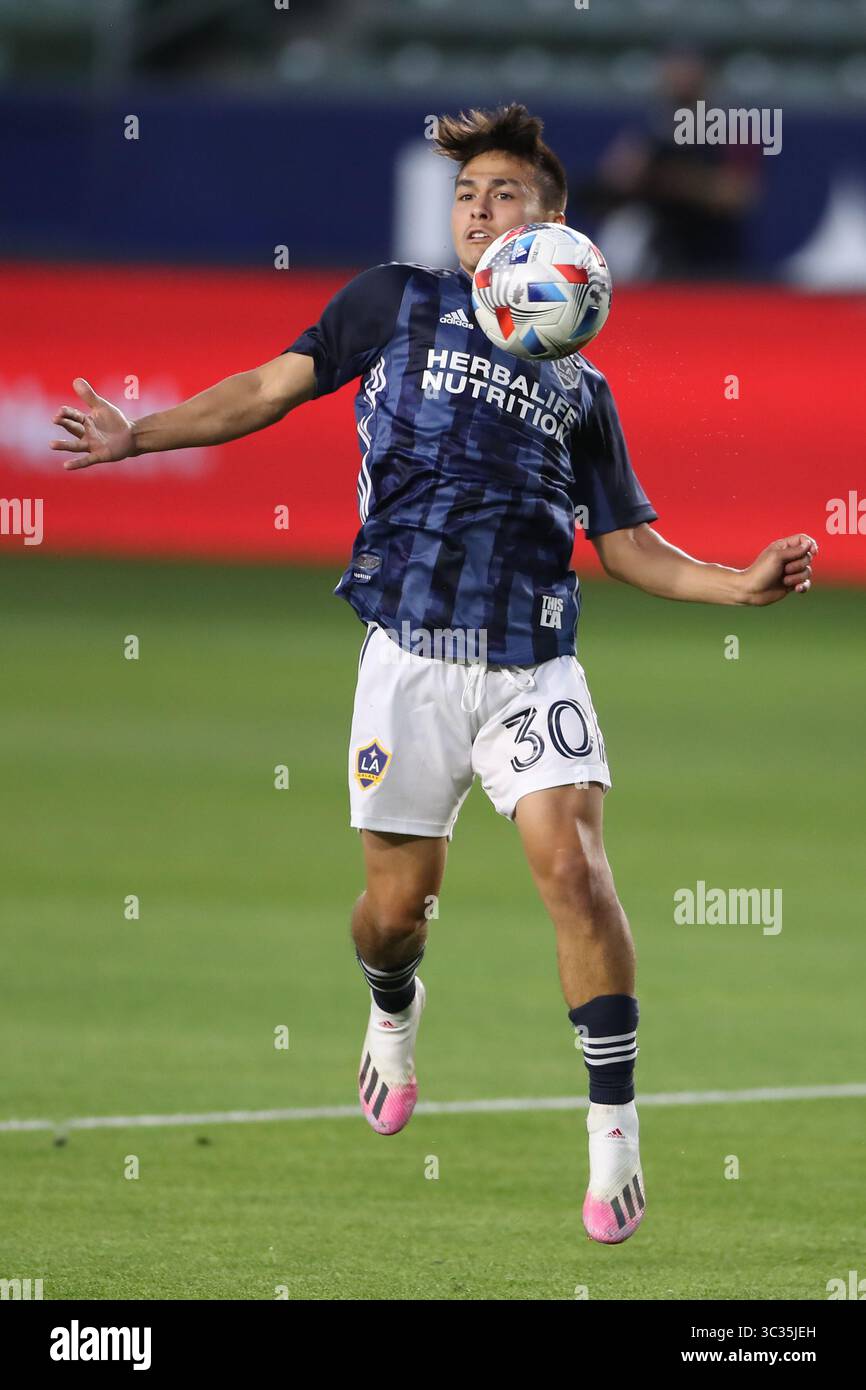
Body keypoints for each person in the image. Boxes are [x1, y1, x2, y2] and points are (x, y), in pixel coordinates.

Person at [50, 102, 816, 1246]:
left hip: (529, 667)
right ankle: (391, 1008)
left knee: (576, 866)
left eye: (501, 195)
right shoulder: (392, 304)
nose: (475, 209)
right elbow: (268, 386)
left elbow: (624, 549)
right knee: (395, 915)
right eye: (465, 195)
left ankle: (613, 1142)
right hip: (407, 660)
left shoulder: (578, 390)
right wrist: (139, 436)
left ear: (552, 231)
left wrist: (735, 584)